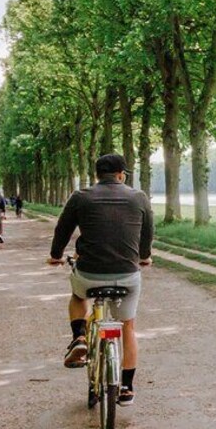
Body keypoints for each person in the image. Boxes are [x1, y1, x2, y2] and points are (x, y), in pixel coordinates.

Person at [47, 154, 153, 406]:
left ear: (96, 175)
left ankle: (79, 337)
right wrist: (145, 256)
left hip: (89, 273)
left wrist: (55, 255)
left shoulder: (80, 197)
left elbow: (63, 230)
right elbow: (147, 233)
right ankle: (126, 387)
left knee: (78, 296)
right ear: (121, 175)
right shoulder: (139, 197)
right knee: (127, 326)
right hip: (127, 275)